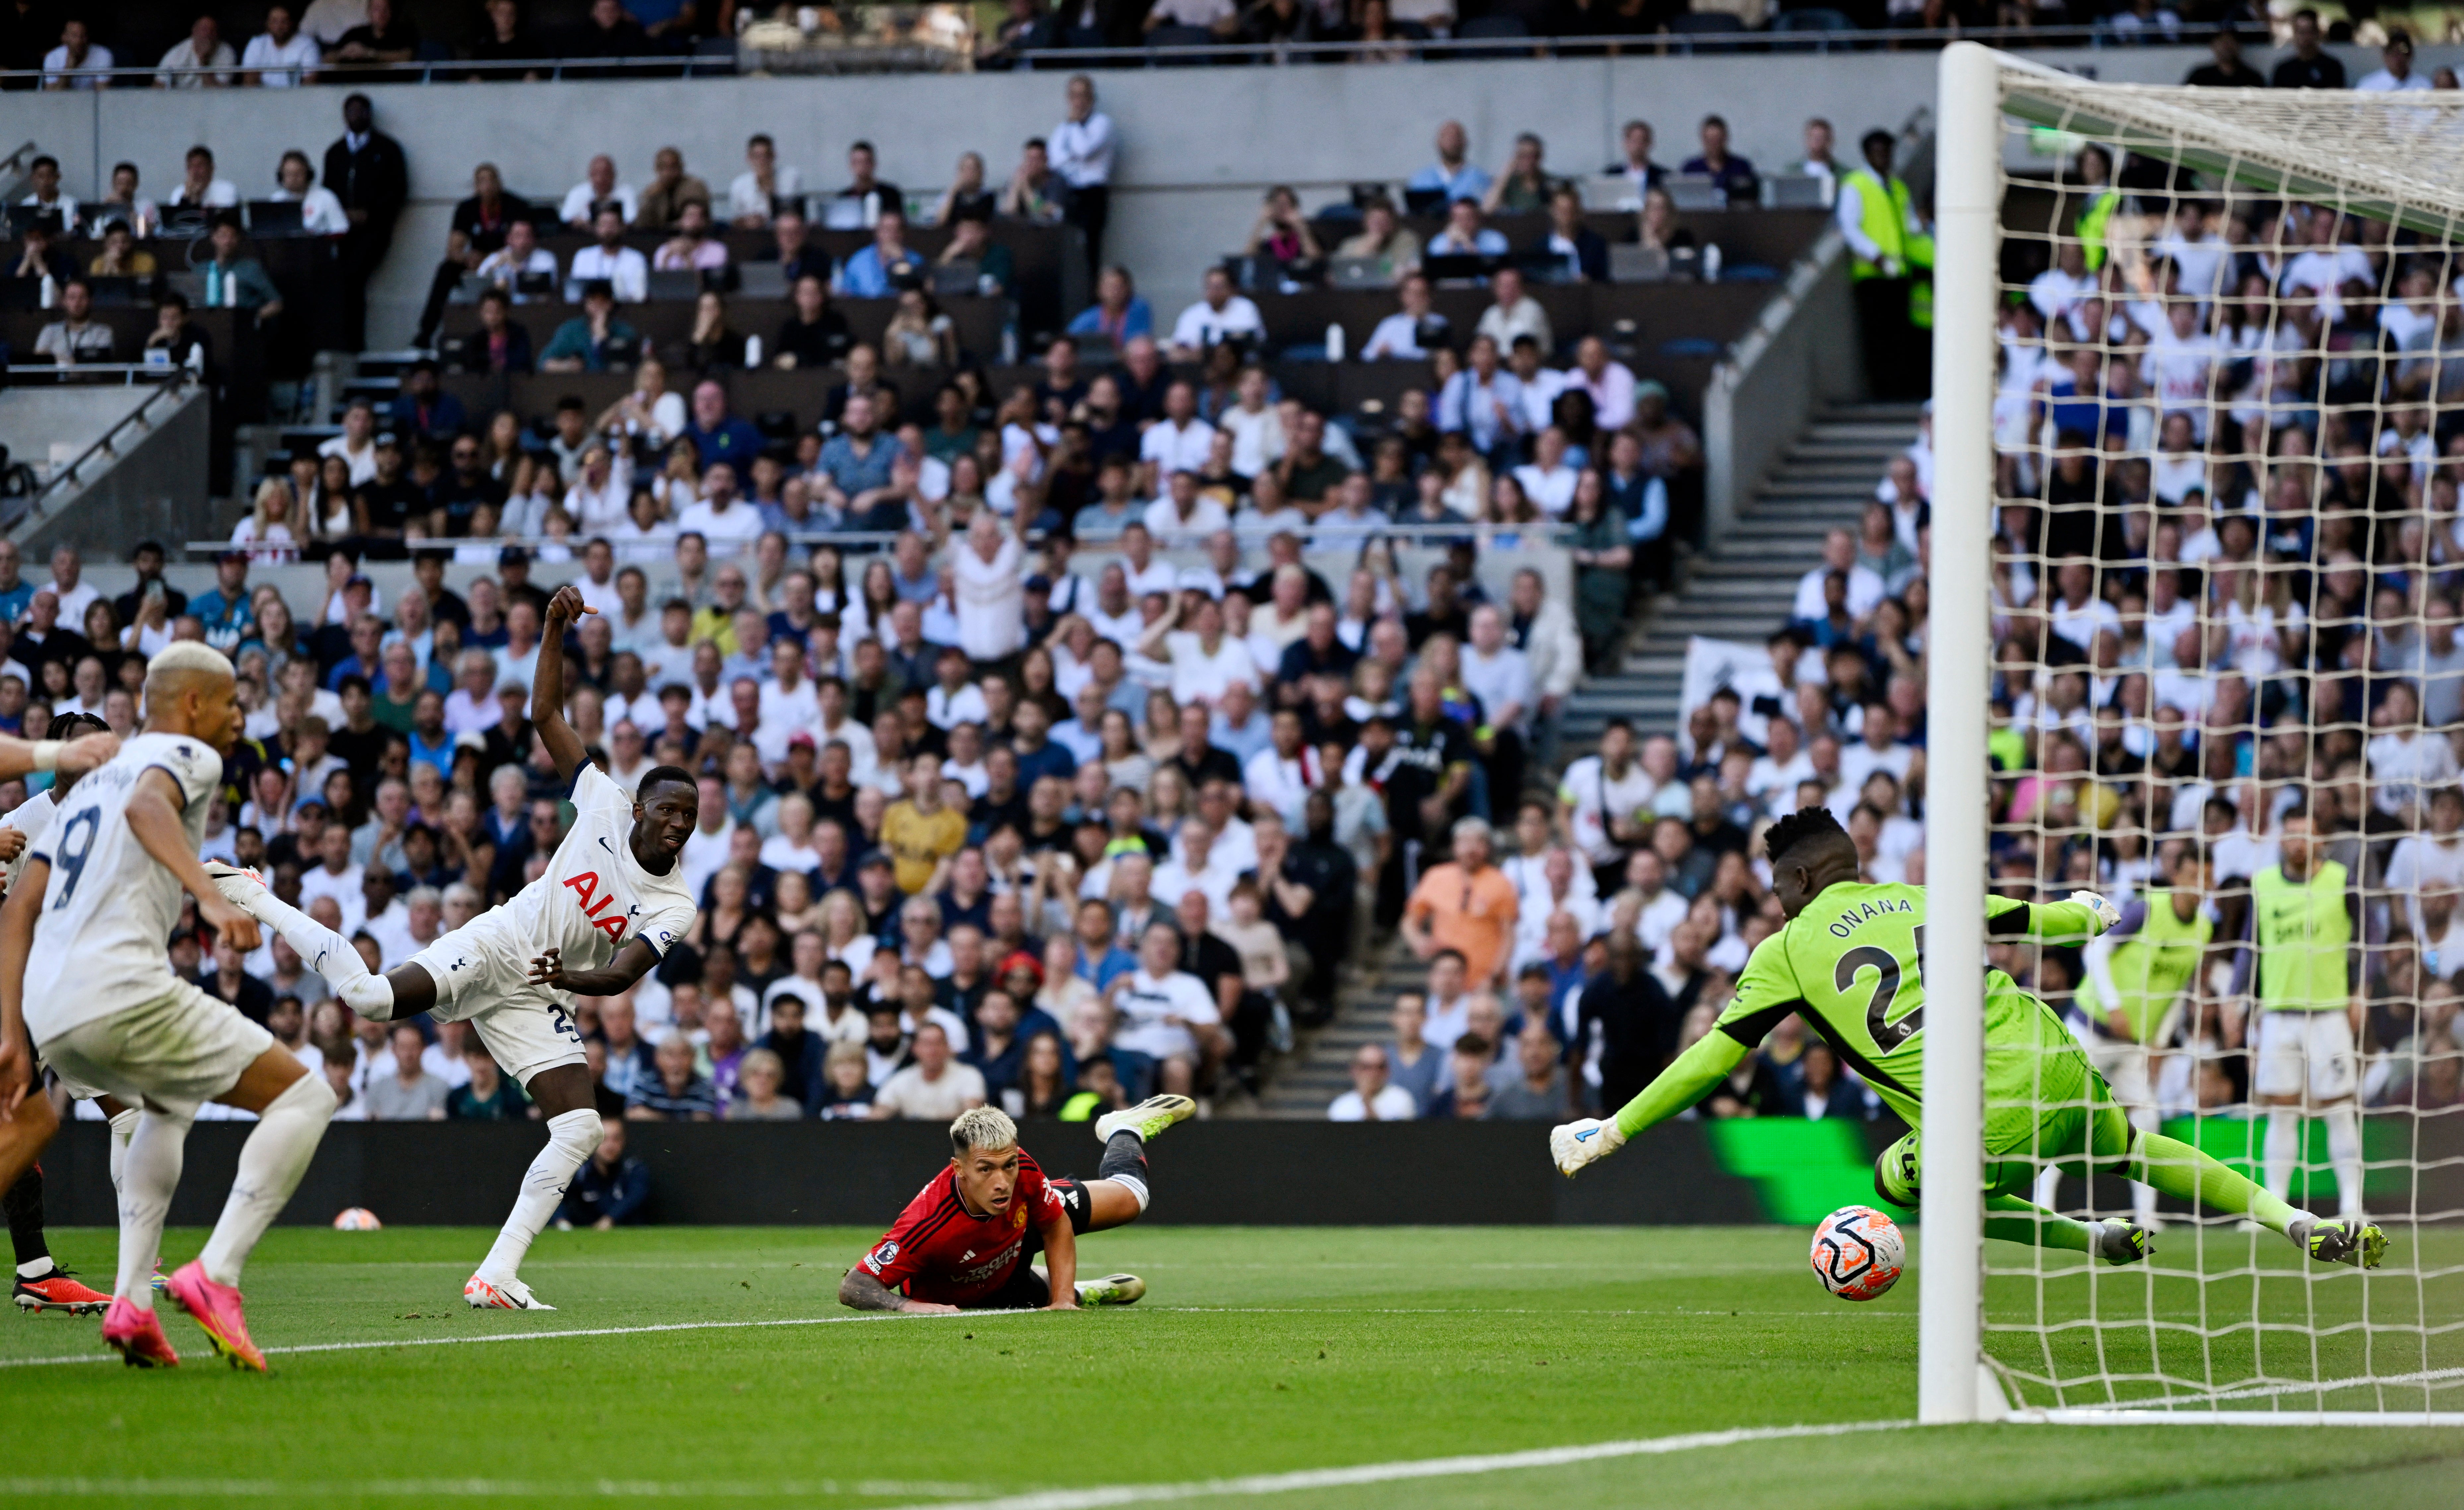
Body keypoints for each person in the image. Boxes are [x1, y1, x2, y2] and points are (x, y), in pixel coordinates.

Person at [1550, 806, 2388, 1273]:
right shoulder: (1919, 893)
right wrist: (2091, 912)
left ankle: (2085, 1240)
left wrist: (1613, 1126)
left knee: (1897, 1176)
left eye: (1777, 887)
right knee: (2137, 1144)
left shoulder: (1787, 950)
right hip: (2057, 1057)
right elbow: (2037, 916)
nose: (1774, 901)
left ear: (1803, 880)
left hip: (1985, 1116)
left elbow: (1714, 1056)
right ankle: (2293, 1218)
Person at [205, 586, 702, 1312]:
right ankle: (256, 894)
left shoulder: (675, 901)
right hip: (500, 943)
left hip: (547, 988)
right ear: (639, 806)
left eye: (689, 817)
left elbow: (626, 972)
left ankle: (496, 1273)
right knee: (371, 1001)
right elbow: (545, 716)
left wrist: (572, 977)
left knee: (582, 1126)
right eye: (668, 810)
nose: (679, 826)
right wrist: (555, 628)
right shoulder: (600, 798)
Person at [0, 645, 334, 1370]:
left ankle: (131, 1304)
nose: (240, 718)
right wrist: (212, 901)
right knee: (308, 1097)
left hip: (50, 1007)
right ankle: (214, 1277)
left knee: (165, 1106)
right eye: (231, 703)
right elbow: (150, 806)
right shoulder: (188, 757)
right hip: (120, 988)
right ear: (191, 705)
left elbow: (19, 906)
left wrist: (13, 1033)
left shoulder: (79, 788)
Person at [838, 1100, 1188, 1313]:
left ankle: (1123, 1127)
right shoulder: (926, 1224)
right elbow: (855, 1286)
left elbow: (1054, 1224)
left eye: (1009, 1164)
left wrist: (1062, 1302)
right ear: (959, 1169)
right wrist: (907, 1306)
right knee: (1038, 1294)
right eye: (986, 1169)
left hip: (1015, 1237)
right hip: (988, 1291)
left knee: (1131, 1199)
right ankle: (1089, 1290)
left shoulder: (1024, 1170)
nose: (1002, 1181)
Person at [0, 712, 123, 1315]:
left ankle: (52, 1269)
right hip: (17, 1000)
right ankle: (37, 1270)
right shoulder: (21, 826)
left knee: (129, 1112)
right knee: (22, 1127)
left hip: (62, 999)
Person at [2244, 812, 2368, 1222]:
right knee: (2280, 1108)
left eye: (2306, 834)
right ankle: (2275, 1207)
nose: (2298, 842)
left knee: (2337, 1107)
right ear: (2281, 840)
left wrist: (2361, 990)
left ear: (2321, 840)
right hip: (2278, 1013)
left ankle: (2351, 1204)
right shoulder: (2262, 884)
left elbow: (2372, 936)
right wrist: (2236, 1002)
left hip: (2329, 1012)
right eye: (2291, 834)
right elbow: (2248, 946)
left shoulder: (2341, 879)